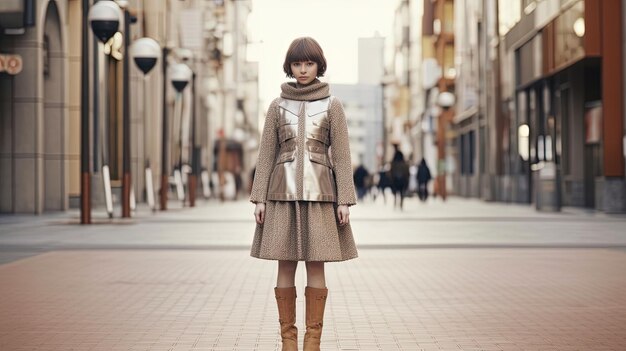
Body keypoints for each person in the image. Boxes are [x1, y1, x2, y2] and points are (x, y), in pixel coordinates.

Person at [250, 37, 358, 351]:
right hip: (280, 197)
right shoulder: (276, 105)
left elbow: (342, 155)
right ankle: (288, 341)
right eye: (297, 63)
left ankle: (313, 341)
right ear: (289, 66)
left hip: (321, 197)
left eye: (308, 63)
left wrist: (344, 200)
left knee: (316, 264)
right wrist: (259, 198)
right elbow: (266, 154)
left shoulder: (332, 104)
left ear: (318, 65)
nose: (303, 69)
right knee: (284, 264)